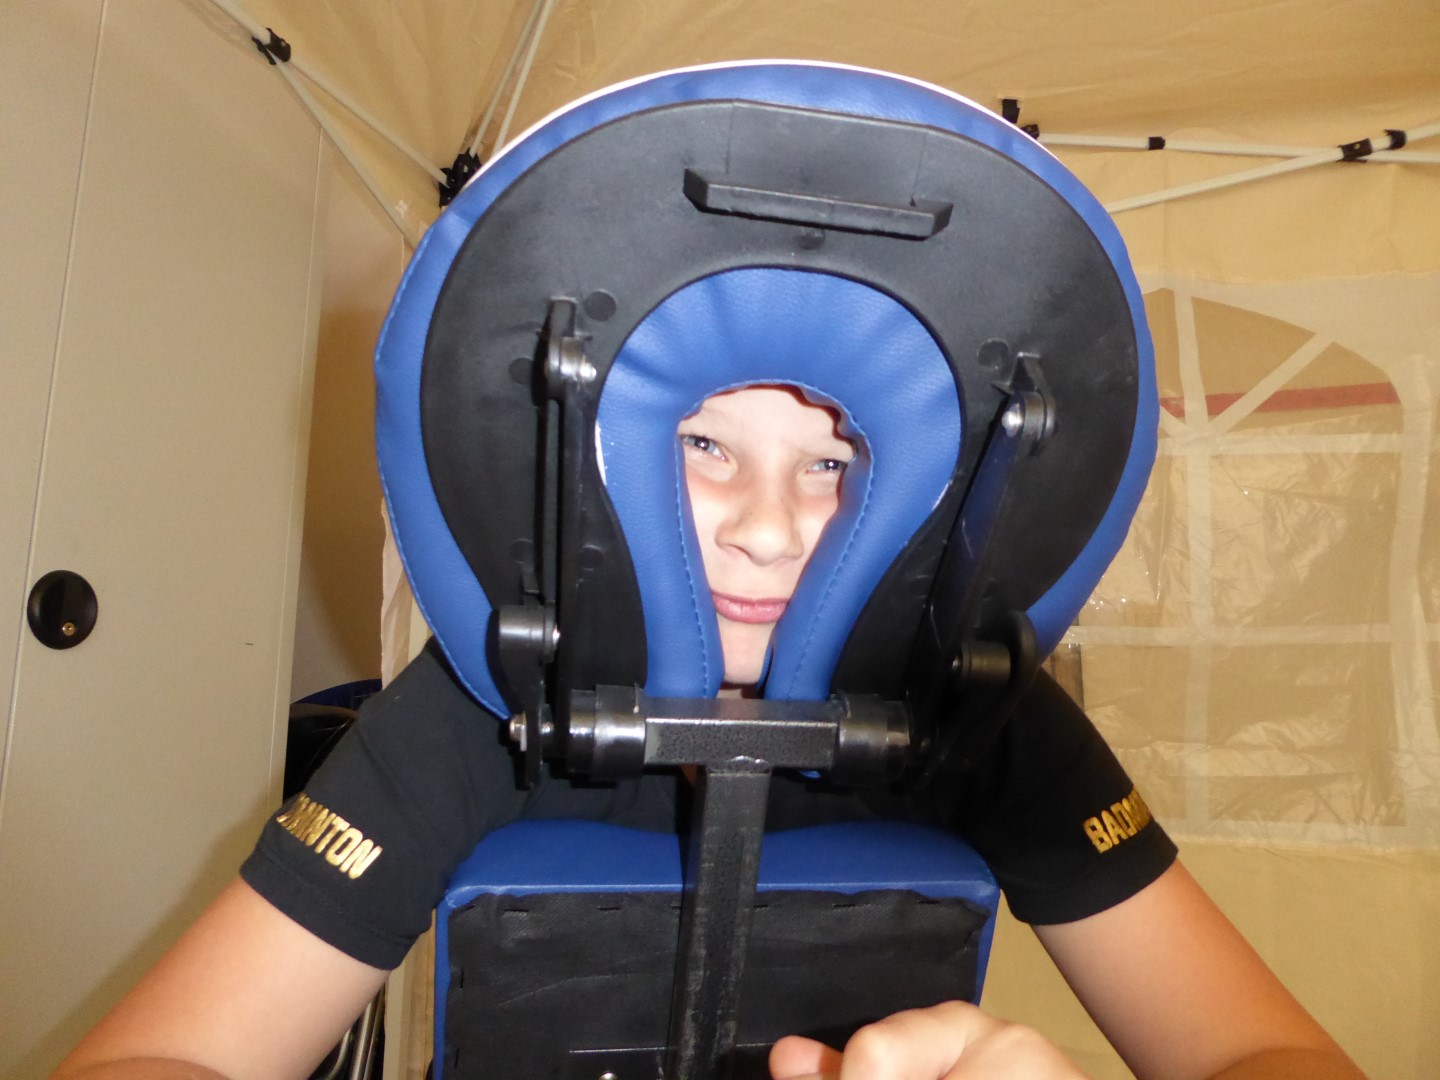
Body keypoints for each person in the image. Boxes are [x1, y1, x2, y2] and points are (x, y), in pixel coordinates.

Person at [56, 386, 1362, 1080]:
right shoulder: (483, 698)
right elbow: (166, 1052)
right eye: (705, 445)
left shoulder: (986, 713)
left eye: (831, 464)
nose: (768, 528)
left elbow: (1266, 1050)